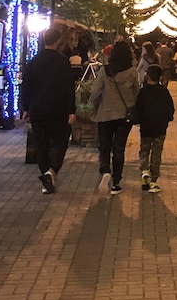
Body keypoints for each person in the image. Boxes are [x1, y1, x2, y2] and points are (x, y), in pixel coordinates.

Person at [20, 27, 76, 195]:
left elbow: (26, 86)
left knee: (41, 144)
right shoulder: (63, 62)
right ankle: (52, 170)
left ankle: (45, 174)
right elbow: (69, 87)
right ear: (58, 41)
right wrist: (71, 109)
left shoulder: (34, 62)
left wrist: (25, 108)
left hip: (38, 109)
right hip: (58, 109)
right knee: (61, 141)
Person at [89, 40, 140, 195]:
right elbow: (136, 92)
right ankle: (116, 182)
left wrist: (93, 105)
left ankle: (105, 170)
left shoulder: (105, 70)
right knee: (119, 148)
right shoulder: (132, 71)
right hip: (124, 115)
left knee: (104, 146)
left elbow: (96, 91)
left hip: (106, 114)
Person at [136, 64, 174, 193]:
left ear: (147, 77)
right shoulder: (164, 91)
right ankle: (153, 180)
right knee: (156, 153)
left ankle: (144, 170)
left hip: (146, 127)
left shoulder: (143, 92)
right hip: (160, 128)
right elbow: (170, 110)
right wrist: (167, 120)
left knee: (144, 150)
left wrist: (138, 120)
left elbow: (138, 109)